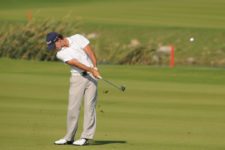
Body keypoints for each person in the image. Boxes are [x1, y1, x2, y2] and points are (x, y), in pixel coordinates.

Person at [46, 32, 101, 146]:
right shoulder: (60, 54)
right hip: (77, 78)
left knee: (89, 107)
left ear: (59, 39)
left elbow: (90, 52)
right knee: (73, 108)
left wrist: (95, 67)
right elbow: (75, 63)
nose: (54, 48)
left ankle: (85, 137)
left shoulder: (78, 38)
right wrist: (91, 70)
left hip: (92, 78)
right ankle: (69, 137)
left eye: (54, 45)